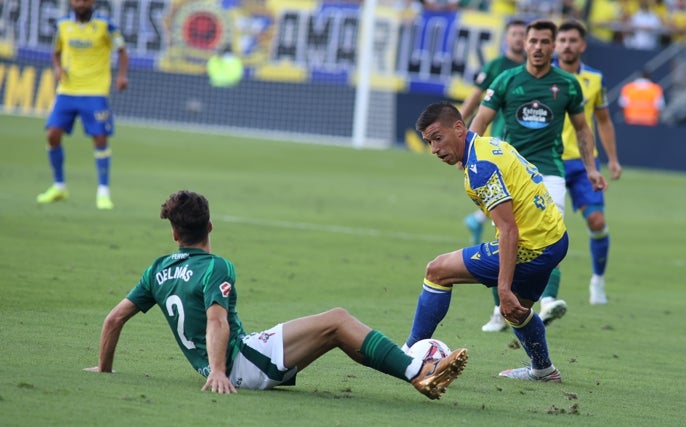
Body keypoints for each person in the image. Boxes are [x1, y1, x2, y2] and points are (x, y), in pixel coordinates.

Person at [84, 190, 468, 400]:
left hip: (234, 361)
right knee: (337, 318)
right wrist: (219, 372)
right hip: (241, 364)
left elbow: (114, 319)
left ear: (174, 234)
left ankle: (412, 373)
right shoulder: (216, 266)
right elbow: (216, 321)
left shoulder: (158, 269)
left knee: (337, 333)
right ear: (210, 226)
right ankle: (420, 370)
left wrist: (104, 367)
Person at [404, 102, 585, 382]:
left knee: (437, 271)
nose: (434, 149)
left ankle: (407, 354)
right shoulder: (490, 145)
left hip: (530, 246)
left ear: (459, 128)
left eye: (438, 138)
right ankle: (544, 370)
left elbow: (509, 229)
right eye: (429, 142)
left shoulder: (480, 168)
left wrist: (502, 288)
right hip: (555, 239)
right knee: (516, 311)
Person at [470, 19, 606, 326]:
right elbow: (480, 120)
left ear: (553, 46)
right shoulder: (506, 79)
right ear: (525, 44)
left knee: (549, 235)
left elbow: (583, 129)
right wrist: (471, 160)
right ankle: (500, 310)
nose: (538, 47)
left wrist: (591, 169)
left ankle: (548, 300)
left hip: (549, 171)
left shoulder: (568, 85)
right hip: (509, 171)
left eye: (545, 42)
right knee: (505, 239)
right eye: (533, 41)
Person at [458, 19, 527, 333]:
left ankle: (478, 219)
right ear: (507, 38)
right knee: (510, 226)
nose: (519, 38)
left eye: (523, 34)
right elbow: (475, 101)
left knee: (515, 219)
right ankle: (508, 304)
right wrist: (455, 136)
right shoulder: (498, 67)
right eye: (514, 33)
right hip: (499, 147)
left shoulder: (536, 71)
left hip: (524, 153)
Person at [554, 20, 622, 305]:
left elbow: (604, 120)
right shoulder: (544, 76)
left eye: (573, 40)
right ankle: (544, 295)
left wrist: (613, 160)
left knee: (597, 221)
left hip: (585, 164)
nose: (567, 45)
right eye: (563, 40)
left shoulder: (595, 79)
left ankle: (597, 281)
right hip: (550, 162)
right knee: (547, 230)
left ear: (582, 45)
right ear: (556, 44)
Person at [37, 0, 129, 210]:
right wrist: (58, 68)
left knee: (100, 138)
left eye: (84, 0)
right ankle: (59, 186)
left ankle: (103, 192)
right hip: (67, 92)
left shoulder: (106, 25)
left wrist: (122, 76)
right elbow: (56, 52)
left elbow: (122, 50)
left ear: (93, 2)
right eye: (76, 0)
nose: (80, 3)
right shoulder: (61, 26)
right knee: (52, 135)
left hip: (95, 92)